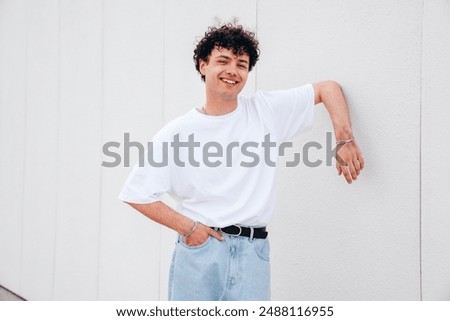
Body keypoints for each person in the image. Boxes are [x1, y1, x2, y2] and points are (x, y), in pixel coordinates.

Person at [119, 23, 364, 301]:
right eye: (223, 61)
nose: (232, 71)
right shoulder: (178, 132)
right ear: (203, 66)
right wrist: (190, 228)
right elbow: (136, 193)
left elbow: (327, 89)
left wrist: (344, 138)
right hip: (201, 252)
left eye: (241, 64)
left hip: (253, 252)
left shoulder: (265, 111)